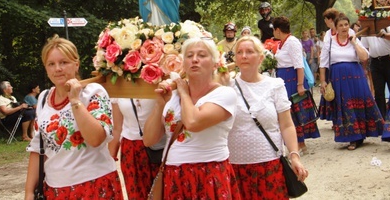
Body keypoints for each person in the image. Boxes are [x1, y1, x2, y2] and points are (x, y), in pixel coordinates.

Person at [24, 36, 123, 199]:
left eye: (63, 62)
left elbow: (96, 139)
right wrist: (29, 192)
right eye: (51, 64)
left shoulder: (92, 93)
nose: (58, 69)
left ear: (76, 64)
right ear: (46, 68)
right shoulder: (43, 99)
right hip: (55, 189)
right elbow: (38, 150)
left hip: (95, 186)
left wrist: (75, 101)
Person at [143, 37, 240, 199]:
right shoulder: (172, 96)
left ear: (215, 63)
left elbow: (193, 122)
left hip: (209, 174)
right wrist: (160, 104)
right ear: (183, 63)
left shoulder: (225, 94)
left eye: (202, 55)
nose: (195, 59)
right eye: (189, 56)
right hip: (174, 176)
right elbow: (148, 140)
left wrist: (183, 92)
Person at [227, 36, 308, 198]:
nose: (244, 56)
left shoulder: (275, 85)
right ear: (235, 58)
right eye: (239, 52)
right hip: (235, 169)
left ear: (261, 57)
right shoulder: (226, 86)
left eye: (249, 52)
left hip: (270, 165)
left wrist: (294, 156)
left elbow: (286, 125)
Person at [319, 14, 383, 150]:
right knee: (345, 106)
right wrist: (323, 81)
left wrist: (354, 42)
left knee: (359, 103)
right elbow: (323, 62)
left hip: (355, 76)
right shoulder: (329, 41)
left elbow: (365, 57)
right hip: (338, 78)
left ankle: (361, 135)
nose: (344, 28)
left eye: (346, 25)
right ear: (335, 28)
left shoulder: (353, 39)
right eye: (341, 25)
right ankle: (353, 137)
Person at [274, 17, 320, 152]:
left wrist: (300, 84)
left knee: (295, 112)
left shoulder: (292, 42)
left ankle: (300, 144)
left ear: (277, 30)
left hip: (292, 79)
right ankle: (296, 143)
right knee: (288, 112)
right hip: (283, 78)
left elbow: (299, 66)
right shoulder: (282, 43)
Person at [108, 98, 165, 199]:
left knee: (162, 193)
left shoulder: (159, 84)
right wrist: (110, 160)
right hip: (131, 150)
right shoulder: (119, 87)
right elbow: (117, 129)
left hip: (158, 145)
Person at [360, 24, 390, 118]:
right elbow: (366, 48)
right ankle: (382, 119)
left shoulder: (387, 23)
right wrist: (364, 68)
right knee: (378, 92)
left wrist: (383, 35)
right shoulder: (366, 28)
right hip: (375, 61)